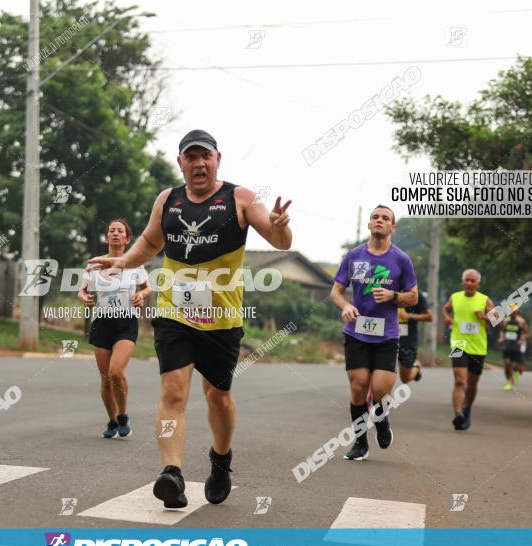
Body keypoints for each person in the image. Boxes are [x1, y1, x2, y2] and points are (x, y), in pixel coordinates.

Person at [88, 130, 293, 508]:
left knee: (219, 397)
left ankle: (221, 459)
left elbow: (280, 242)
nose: (199, 164)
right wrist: (121, 261)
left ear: (218, 159)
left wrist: (280, 225)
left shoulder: (240, 198)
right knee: (173, 393)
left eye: (205, 157)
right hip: (173, 313)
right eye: (191, 157)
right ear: (180, 162)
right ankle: (172, 473)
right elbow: (149, 243)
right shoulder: (168, 200)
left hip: (221, 319)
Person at [330, 205, 418, 461]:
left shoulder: (401, 259)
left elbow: (413, 296)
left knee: (380, 390)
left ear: (393, 227)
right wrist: (345, 305)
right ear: (369, 224)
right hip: (356, 332)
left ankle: (382, 420)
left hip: (387, 335)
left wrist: (394, 296)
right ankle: (360, 443)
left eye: (385, 218)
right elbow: (335, 292)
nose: (379, 220)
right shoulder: (353, 256)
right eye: (375, 217)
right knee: (358, 387)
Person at [78, 219, 151, 439]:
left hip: (125, 321)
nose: (116, 234)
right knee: (105, 378)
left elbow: (147, 288)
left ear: (127, 239)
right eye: (112, 231)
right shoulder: (94, 264)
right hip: (102, 322)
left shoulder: (135, 264)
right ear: (107, 237)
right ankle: (111, 421)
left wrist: (141, 296)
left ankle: (123, 415)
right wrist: (85, 298)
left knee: (116, 371)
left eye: (120, 231)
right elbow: (81, 291)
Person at [443, 269, 495, 431]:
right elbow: (446, 309)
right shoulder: (455, 297)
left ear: (478, 284)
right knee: (460, 380)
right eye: (467, 280)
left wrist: (484, 317)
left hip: (478, 347)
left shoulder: (485, 300)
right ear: (462, 281)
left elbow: (497, 319)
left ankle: (467, 408)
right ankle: (458, 413)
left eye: (473, 281)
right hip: (458, 344)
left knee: (472, 384)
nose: (470, 283)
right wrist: (448, 318)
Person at [397, 292, 433, 385]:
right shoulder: (386, 290)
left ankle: (416, 367)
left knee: (405, 378)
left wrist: (409, 316)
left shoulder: (415, 295)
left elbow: (429, 316)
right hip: (386, 337)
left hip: (407, 340)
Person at [498, 307, 530, 391]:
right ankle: (509, 380)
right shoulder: (506, 321)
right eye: (510, 311)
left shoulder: (521, 322)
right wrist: (501, 338)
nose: (512, 313)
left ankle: (512, 378)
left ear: (517, 312)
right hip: (507, 345)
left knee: (514, 365)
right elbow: (503, 331)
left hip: (516, 347)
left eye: (514, 311)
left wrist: (521, 340)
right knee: (507, 364)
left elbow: (527, 333)